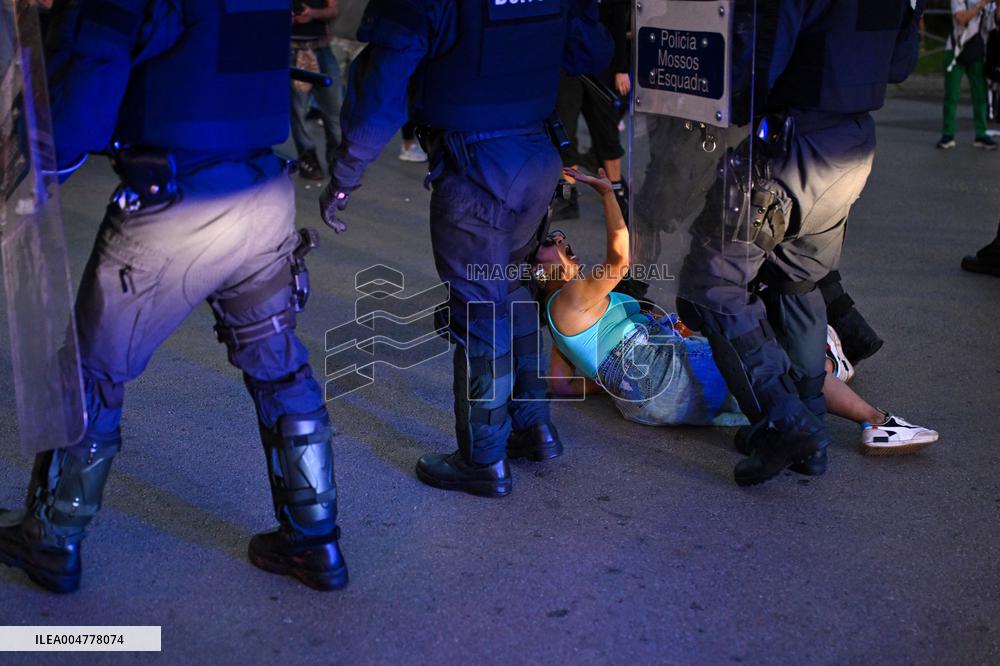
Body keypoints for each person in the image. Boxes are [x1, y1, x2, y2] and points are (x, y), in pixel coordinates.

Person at [0, 1, 347, 593]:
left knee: (91, 373)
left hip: (174, 206)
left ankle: (53, 538)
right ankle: (316, 543)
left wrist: (25, 166)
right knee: (280, 370)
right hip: (263, 195)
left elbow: (78, 105)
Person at [320, 0, 613, 497]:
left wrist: (346, 174)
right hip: (537, 154)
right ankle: (533, 428)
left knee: (481, 310)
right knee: (516, 294)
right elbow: (591, 50)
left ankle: (483, 460)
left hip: (477, 167)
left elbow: (382, 84)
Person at [675, 1, 923, 486]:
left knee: (714, 287)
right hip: (851, 147)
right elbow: (899, 65)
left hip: (790, 145)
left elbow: (757, 64)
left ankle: (785, 424)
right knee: (799, 283)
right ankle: (809, 437)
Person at [536, 170, 938, 456]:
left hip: (646, 404)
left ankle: (825, 370)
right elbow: (620, 258)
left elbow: (561, 383)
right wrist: (608, 194)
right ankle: (877, 422)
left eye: (563, 239)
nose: (562, 240)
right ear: (539, 272)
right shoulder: (571, 297)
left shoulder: (558, 319)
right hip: (664, 375)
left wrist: (616, 382)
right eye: (554, 244)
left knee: (755, 378)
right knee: (779, 365)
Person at [550, 0, 631, 222]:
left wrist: (622, 68)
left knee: (606, 134)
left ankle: (617, 194)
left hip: (601, 64)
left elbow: (617, 21)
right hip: (567, 64)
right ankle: (568, 198)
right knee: (564, 134)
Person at [290, 0, 343, 179]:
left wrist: (312, 13)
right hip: (292, 49)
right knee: (299, 111)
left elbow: (333, 10)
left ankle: (337, 157)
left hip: (321, 48)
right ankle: (308, 159)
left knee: (335, 108)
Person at [938, 0, 998, 150]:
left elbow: (994, 24)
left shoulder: (989, 4)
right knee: (952, 94)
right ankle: (948, 134)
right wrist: (980, 5)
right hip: (955, 50)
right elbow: (961, 18)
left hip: (977, 51)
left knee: (980, 94)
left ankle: (981, 133)